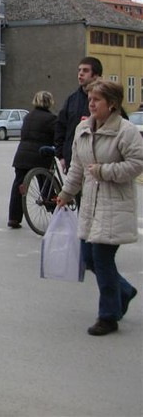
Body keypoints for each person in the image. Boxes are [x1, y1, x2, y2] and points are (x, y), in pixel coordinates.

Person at [55, 79, 143, 336]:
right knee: (88, 257)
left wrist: (105, 171)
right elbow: (77, 167)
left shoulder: (125, 131)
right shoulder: (83, 128)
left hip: (115, 205)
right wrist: (66, 193)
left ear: (112, 104)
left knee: (103, 260)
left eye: (97, 100)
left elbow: (137, 163)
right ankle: (124, 290)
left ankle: (108, 316)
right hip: (90, 204)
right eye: (90, 99)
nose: (91, 104)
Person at [7, 91, 56, 228]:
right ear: (50, 102)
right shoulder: (52, 118)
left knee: (19, 185)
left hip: (22, 155)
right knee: (46, 183)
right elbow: (56, 137)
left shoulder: (28, 117)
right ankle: (54, 212)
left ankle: (14, 218)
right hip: (40, 156)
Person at [54, 56, 102, 173]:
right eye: (79, 70)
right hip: (73, 160)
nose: (80, 74)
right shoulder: (72, 100)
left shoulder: (107, 100)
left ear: (96, 76)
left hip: (98, 162)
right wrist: (61, 155)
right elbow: (60, 127)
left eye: (85, 70)